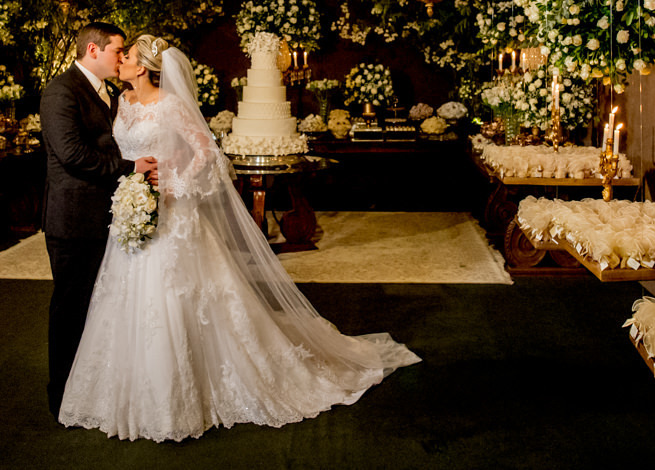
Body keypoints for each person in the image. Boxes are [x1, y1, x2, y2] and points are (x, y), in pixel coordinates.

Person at [59, 35, 420, 441]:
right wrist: (132, 188)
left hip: (174, 218)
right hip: (133, 214)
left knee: (179, 298)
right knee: (128, 298)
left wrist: (174, 184)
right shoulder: (121, 103)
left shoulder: (171, 104)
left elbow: (207, 153)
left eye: (125, 56)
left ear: (142, 67)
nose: (119, 60)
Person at [40, 22, 157, 418]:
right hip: (72, 220)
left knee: (98, 306)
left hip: (104, 217)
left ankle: (90, 388)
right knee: (70, 307)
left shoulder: (108, 93)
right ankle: (61, 395)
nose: (121, 57)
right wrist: (131, 168)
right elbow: (73, 155)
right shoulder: (61, 91)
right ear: (94, 49)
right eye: (117, 50)